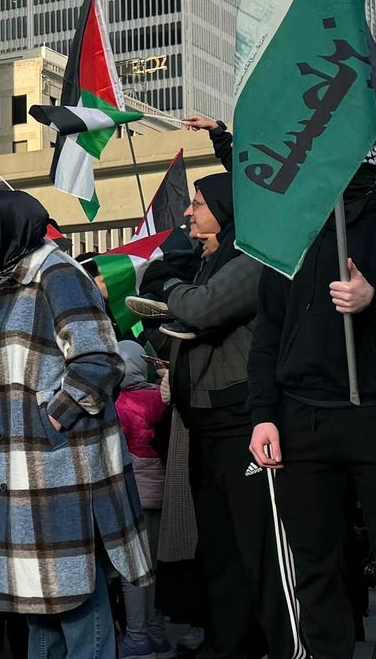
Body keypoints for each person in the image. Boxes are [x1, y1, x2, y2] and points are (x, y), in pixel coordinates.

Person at [246, 153, 376, 659]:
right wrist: (263, 414)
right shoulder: (288, 235)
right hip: (302, 417)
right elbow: (268, 331)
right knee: (316, 569)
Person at [0, 190, 151, 659]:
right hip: (15, 470)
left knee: (74, 595)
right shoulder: (4, 279)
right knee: (36, 600)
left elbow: (100, 360)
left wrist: (53, 417)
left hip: (56, 466)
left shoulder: (58, 274)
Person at [128, 171, 291, 659]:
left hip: (243, 421)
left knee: (259, 548)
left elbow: (203, 308)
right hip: (203, 423)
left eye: (197, 203)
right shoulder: (202, 261)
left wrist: (170, 289)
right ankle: (229, 643)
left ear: (224, 208)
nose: (187, 212)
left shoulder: (251, 257)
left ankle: (284, 644)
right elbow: (168, 325)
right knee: (219, 546)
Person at [114, 340, 170, 659]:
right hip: (162, 493)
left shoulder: (119, 403)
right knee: (158, 567)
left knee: (134, 570)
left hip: (132, 494)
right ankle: (157, 632)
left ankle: (137, 636)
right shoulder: (158, 397)